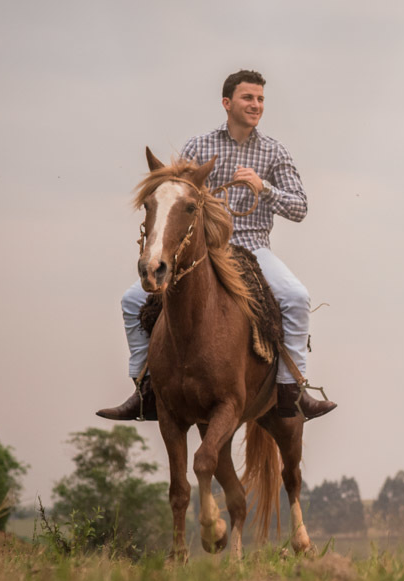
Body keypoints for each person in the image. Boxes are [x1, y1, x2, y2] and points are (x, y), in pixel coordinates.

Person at [97, 70, 337, 421]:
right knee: (132, 299)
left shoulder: (274, 151)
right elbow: (177, 197)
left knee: (296, 297)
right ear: (227, 103)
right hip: (206, 249)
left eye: (260, 99)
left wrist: (263, 187)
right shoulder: (198, 147)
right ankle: (143, 388)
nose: (256, 105)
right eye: (248, 98)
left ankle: (292, 391)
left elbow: (300, 208)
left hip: (253, 247)